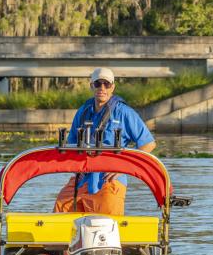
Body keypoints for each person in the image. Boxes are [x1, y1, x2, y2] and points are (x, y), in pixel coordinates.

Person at [53, 67, 156, 216]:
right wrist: (76, 168)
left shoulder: (124, 112)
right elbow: (71, 144)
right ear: (91, 86)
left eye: (106, 84)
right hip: (83, 179)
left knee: (107, 223)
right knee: (60, 208)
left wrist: (123, 167)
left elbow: (149, 144)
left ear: (112, 87)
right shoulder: (83, 111)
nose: (102, 88)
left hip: (109, 181)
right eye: (97, 84)